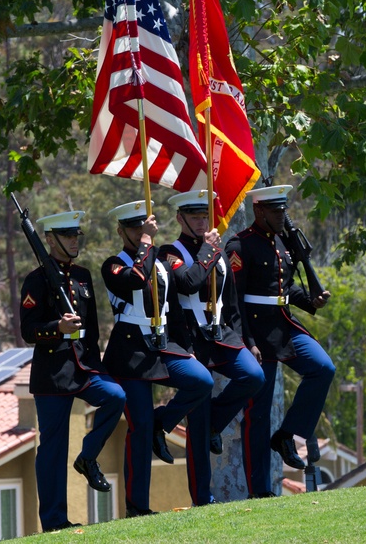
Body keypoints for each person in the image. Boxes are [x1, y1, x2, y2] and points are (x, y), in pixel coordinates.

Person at [101, 200, 214, 517]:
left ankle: (162, 423)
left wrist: (187, 347)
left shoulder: (160, 263)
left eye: (144, 226)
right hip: (130, 352)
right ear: (121, 231)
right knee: (138, 426)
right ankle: (137, 506)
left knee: (201, 382)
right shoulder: (113, 264)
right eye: (134, 228)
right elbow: (135, 280)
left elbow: (174, 310)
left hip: (164, 345)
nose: (140, 232)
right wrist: (148, 243)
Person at [225, 184, 336, 498]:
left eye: (283, 210)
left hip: (285, 325)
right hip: (257, 332)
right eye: (275, 211)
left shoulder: (285, 242)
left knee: (323, 368)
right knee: (258, 416)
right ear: (259, 210)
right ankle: (259, 491)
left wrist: (311, 301)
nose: (281, 215)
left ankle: (287, 434)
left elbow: (284, 290)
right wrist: (247, 341)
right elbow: (234, 301)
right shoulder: (240, 246)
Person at [19, 210, 125, 533]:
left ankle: (88, 457)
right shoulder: (36, 281)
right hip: (53, 374)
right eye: (67, 236)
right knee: (52, 450)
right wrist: (58, 327)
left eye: (76, 235)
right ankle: (54, 522)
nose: (73, 240)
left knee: (115, 397)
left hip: (85, 366)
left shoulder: (82, 276)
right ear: (49, 240)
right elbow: (28, 331)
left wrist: (99, 368)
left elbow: (91, 330)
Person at [159, 189, 265, 506]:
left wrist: (246, 340)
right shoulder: (170, 251)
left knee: (254, 376)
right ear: (180, 219)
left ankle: (214, 426)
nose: (202, 222)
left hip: (222, 335)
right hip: (192, 340)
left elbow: (230, 304)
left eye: (204, 216)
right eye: (194, 217)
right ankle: (202, 497)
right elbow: (189, 281)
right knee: (199, 417)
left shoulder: (215, 252)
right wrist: (207, 249)